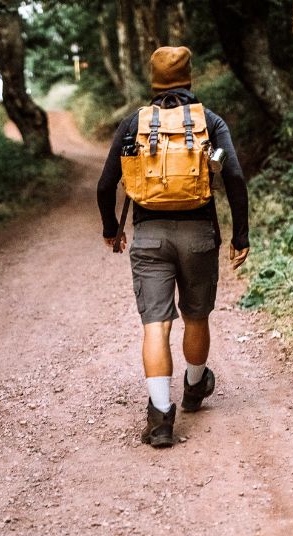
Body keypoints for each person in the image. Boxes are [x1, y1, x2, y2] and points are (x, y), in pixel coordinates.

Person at [97, 45, 250, 448]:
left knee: (156, 326)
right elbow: (233, 177)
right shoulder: (209, 122)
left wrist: (112, 229)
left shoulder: (134, 123)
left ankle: (161, 418)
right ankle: (195, 388)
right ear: (188, 77)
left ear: (154, 79)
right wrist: (240, 235)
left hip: (149, 234)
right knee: (196, 316)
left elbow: (105, 184)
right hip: (199, 234)